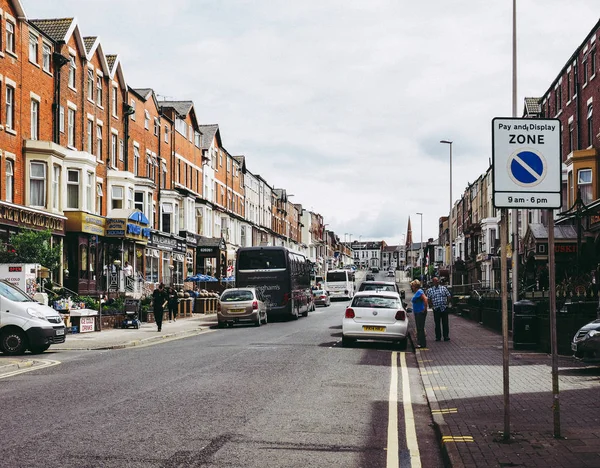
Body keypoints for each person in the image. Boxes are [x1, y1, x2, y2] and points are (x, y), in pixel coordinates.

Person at [428, 276, 452, 342]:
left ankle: (446, 336)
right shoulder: (430, 290)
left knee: (445, 323)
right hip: (436, 309)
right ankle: (438, 337)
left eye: (437, 281)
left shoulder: (443, 288)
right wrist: (432, 306)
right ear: (433, 282)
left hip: (444, 308)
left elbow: (449, 295)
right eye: (435, 281)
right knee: (437, 324)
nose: (437, 282)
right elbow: (429, 299)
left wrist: (447, 303)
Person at [410, 279, 428, 348]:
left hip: (420, 312)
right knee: (419, 328)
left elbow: (425, 299)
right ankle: (420, 342)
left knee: (420, 328)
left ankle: (422, 344)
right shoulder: (418, 292)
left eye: (413, 286)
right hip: (417, 312)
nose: (412, 287)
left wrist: (425, 309)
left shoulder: (419, 292)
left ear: (415, 286)